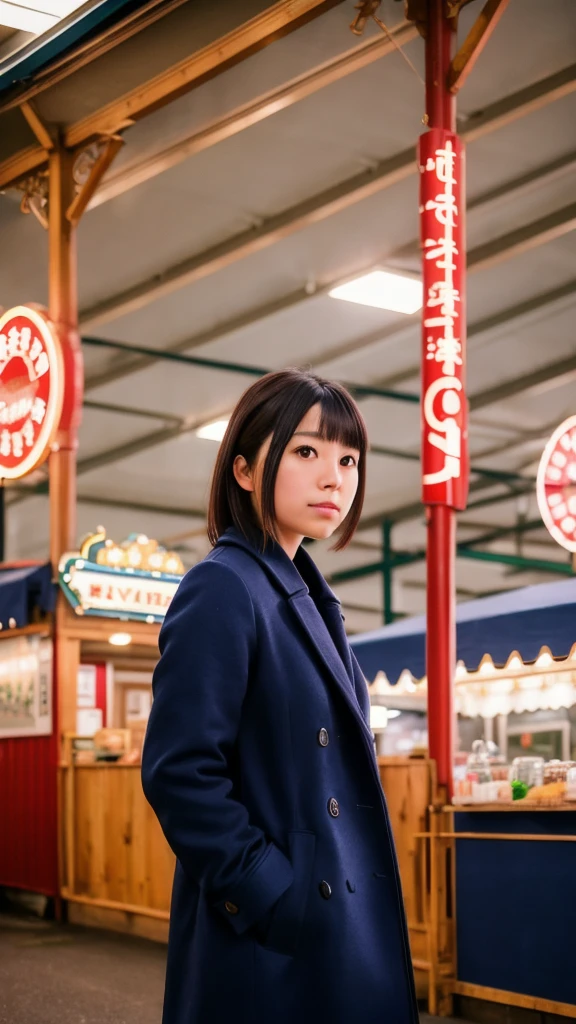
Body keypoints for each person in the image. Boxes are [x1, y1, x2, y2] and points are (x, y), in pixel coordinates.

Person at [142, 368, 418, 1024]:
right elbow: (179, 772)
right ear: (243, 470)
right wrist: (269, 893)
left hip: (326, 927)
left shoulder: (307, 598)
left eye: (349, 459)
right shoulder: (224, 587)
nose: (335, 478)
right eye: (307, 452)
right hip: (273, 942)